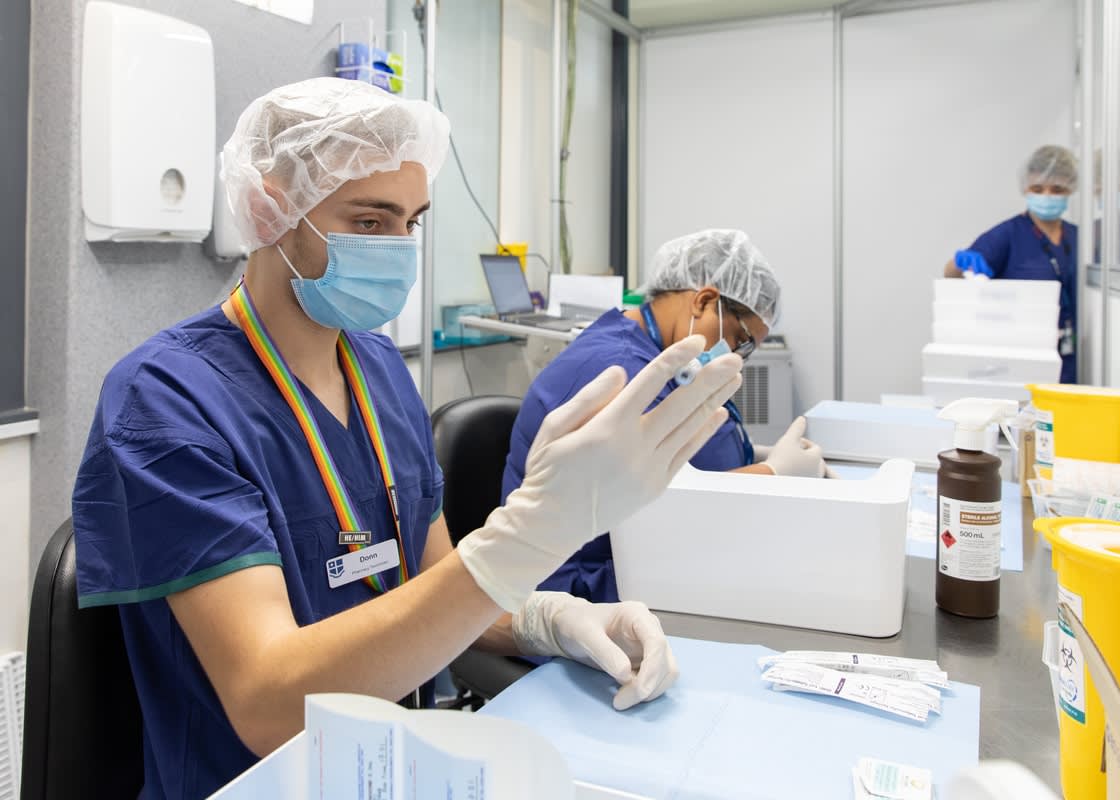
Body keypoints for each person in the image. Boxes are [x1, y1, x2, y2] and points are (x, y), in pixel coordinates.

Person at [71, 78, 744, 800]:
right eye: (368, 222)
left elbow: (436, 587)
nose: (397, 250)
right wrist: (529, 537)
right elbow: (268, 702)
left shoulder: (380, 370)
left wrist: (554, 618)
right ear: (271, 210)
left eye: (411, 223)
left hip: (396, 767)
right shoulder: (168, 401)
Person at [501, 229, 833, 604]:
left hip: (651, 564)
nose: (736, 357)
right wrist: (775, 474)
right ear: (704, 300)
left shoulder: (658, 355)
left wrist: (758, 456)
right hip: (586, 592)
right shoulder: (621, 368)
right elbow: (659, 506)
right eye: (741, 340)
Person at [944, 145, 1080, 383]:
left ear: (1070, 190)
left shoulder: (1078, 237)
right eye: (1038, 188)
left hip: (1070, 355)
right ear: (1026, 188)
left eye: (1056, 189)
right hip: (1022, 355)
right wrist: (959, 262)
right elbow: (953, 275)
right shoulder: (1007, 234)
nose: (1047, 195)